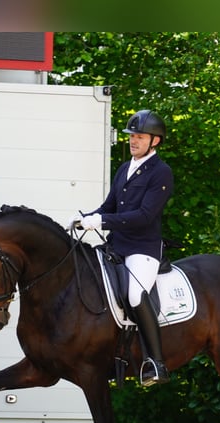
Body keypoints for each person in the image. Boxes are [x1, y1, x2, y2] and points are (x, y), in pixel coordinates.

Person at [72, 109, 173, 386]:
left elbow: (144, 216)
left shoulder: (161, 172)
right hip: (117, 245)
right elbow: (109, 207)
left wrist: (102, 221)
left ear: (155, 141)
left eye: (140, 137)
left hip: (143, 249)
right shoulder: (124, 168)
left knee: (135, 294)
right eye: (131, 136)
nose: (133, 141)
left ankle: (156, 362)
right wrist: (87, 219)